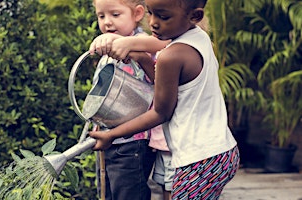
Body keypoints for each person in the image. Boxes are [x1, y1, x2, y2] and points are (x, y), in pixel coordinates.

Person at [89, 0, 241, 199]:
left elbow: (161, 112)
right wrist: (143, 58)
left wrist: (112, 135)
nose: (153, 23)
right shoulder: (199, 37)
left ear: (195, 16)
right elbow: (169, 87)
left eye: (163, 16)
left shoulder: (170, 56)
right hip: (222, 151)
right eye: (151, 13)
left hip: (198, 160)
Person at [87, 0, 159, 199]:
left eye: (115, 15)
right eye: (101, 16)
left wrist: (140, 56)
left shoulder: (144, 43)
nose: (107, 22)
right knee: (112, 192)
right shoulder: (107, 47)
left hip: (132, 140)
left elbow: (158, 81)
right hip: (110, 137)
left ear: (137, 14)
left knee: (129, 193)